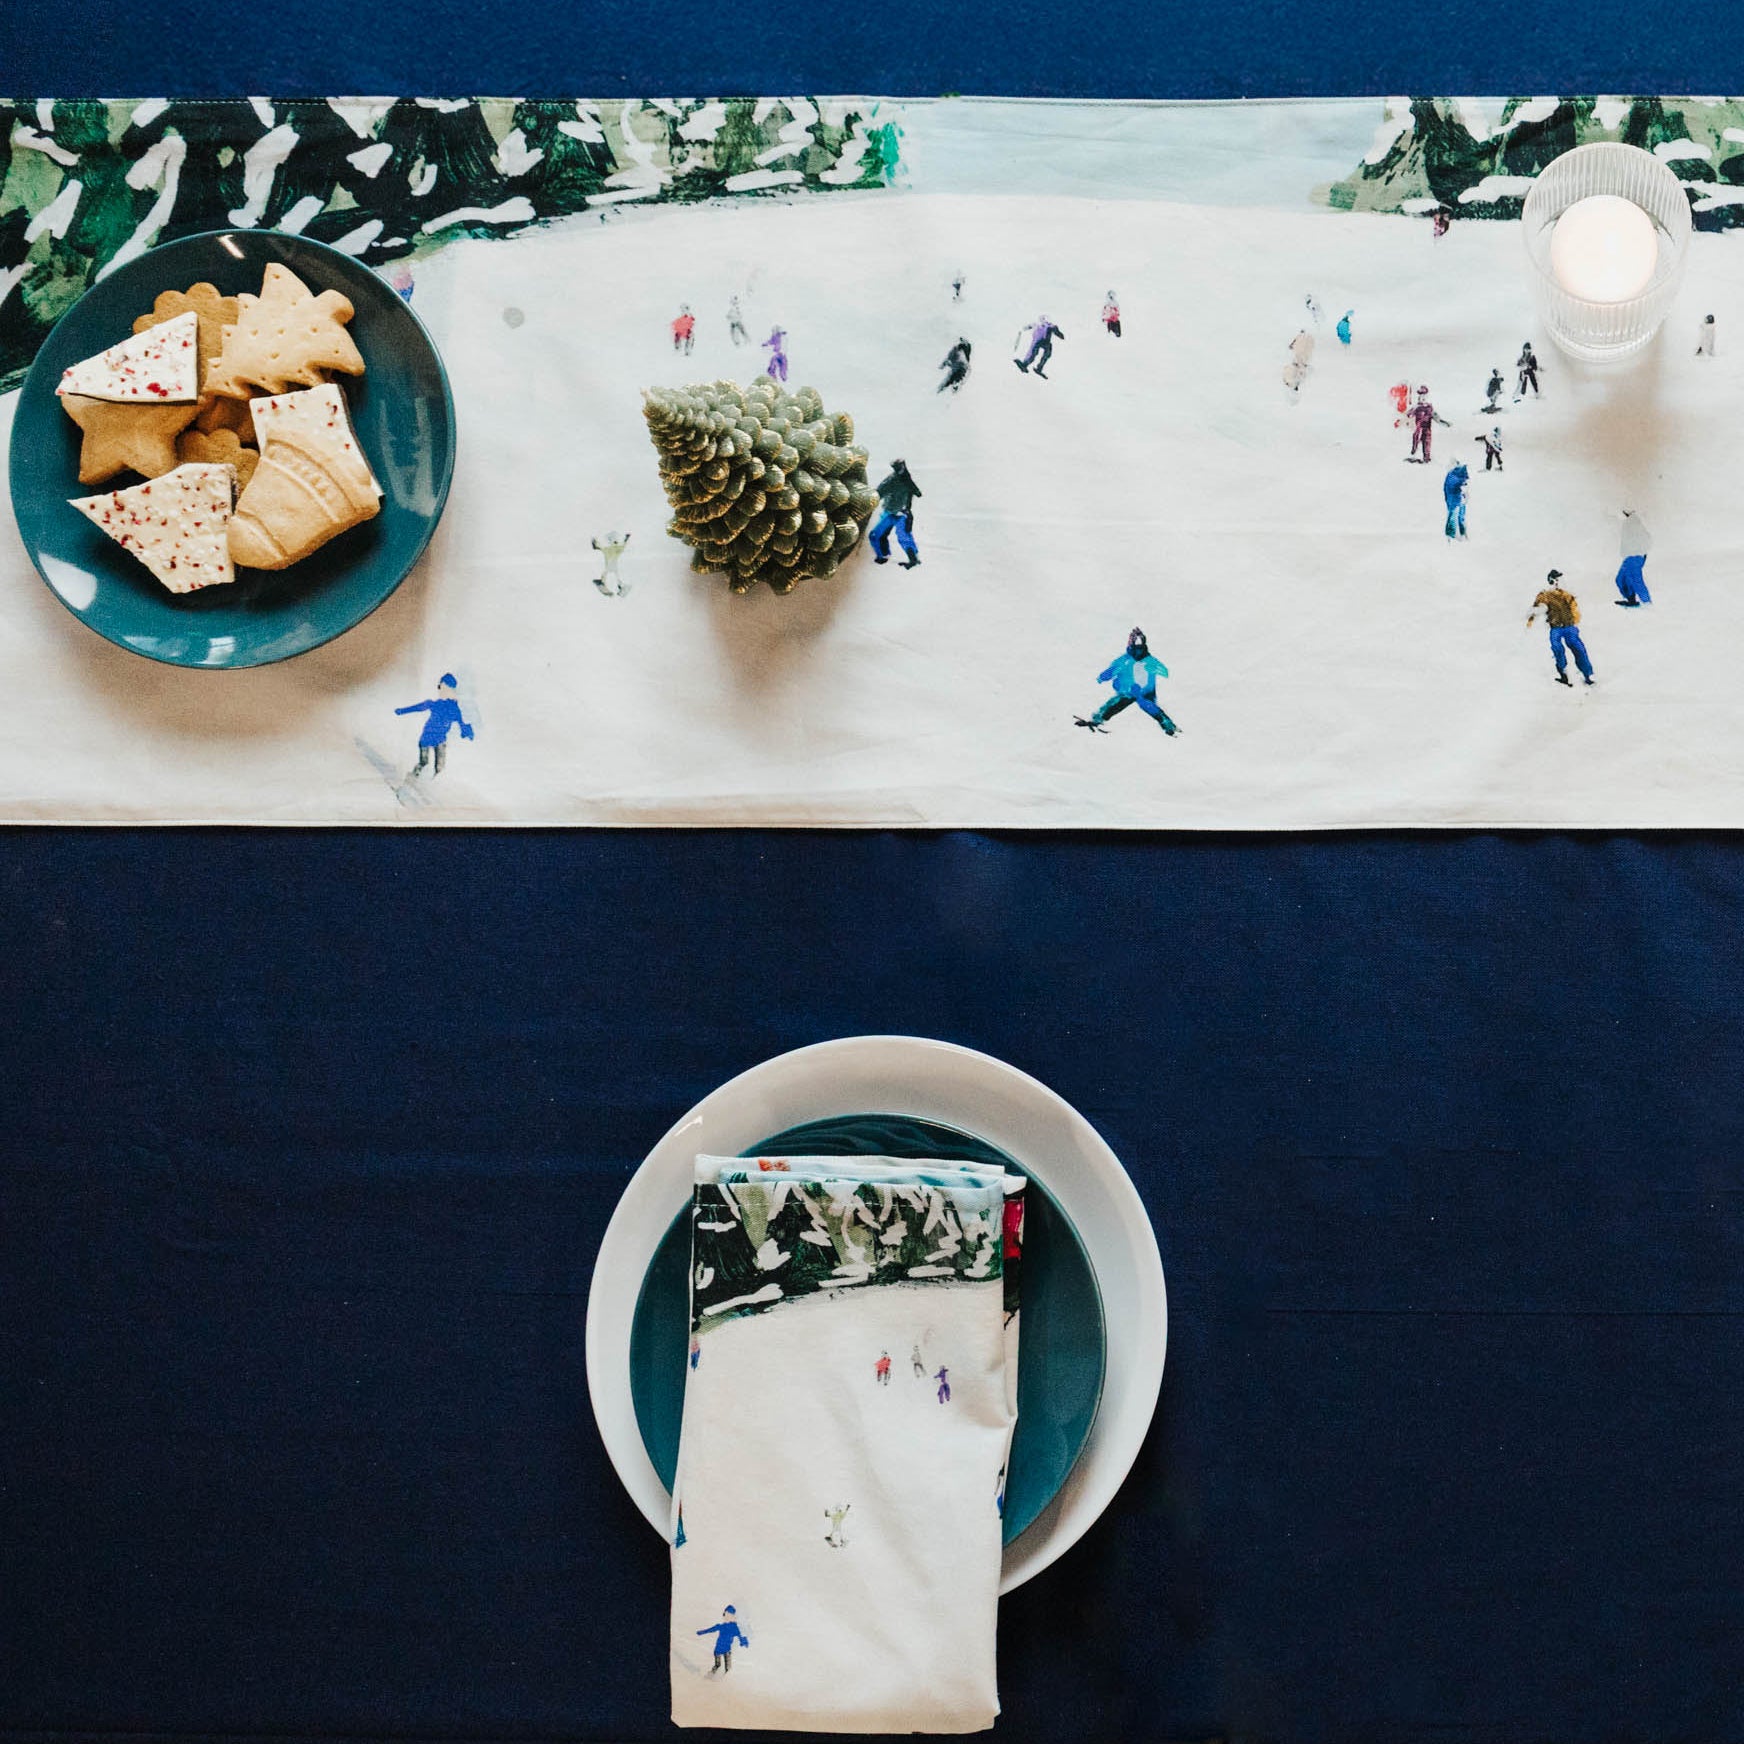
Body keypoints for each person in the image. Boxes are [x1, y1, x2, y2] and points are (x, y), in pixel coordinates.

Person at [1075, 626, 1180, 737]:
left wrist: (1154, 669)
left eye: (1140, 648)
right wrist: (1103, 677)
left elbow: (1165, 672)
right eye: (1136, 648)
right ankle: (1097, 720)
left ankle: (1168, 726)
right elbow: (1111, 670)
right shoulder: (1125, 660)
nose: (1138, 653)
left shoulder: (1149, 661)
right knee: (1114, 704)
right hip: (1127, 691)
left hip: (1144, 692)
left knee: (1150, 707)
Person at [396, 674, 474, 778]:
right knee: (424, 763)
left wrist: (467, 732)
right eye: (440, 687)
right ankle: (412, 779)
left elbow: (461, 722)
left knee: (440, 768)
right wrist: (402, 711)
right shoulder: (436, 704)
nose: (440, 691)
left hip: (440, 740)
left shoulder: (454, 709)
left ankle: (433, 785)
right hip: (427, 738)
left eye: (443, 688)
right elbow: (419, 707)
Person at [1528, 570, 1594, 686]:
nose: (1559, 583)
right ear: (1552, 581)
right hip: (1556, 628)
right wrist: (1531, 620)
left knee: (1578, 649)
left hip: (1569, 626)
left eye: (1560, 580)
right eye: (1557, 580)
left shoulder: (1566, 594)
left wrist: (1575, 620)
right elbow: (1539, 608)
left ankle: (1587, 675)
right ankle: (1564, 675)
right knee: (1558, 650)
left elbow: (1574, 607)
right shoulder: (1545, 595)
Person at [870, 460, 922, 568]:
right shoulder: (901, 480)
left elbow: (879, 492)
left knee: (897, 536)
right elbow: (917, 493)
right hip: (895, 513)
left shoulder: (898, 480)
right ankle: (885, 555)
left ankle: (886, 556)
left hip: (899, 513)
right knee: (879, 535)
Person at [1398, 386, 1449, 463]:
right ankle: (1414, 455)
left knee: (1427, 442)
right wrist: (1401, 422)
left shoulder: (1429, 408)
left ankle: (1426, 458)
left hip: (1427, 429)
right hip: (1418, 428)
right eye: (1421, 395)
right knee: (1416, 441)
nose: (1422, 397)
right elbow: (1407, 415)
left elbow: (1436, 417)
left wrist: (1443, 423)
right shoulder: (1416, 407)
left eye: (1424, 395)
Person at [1615, 509, 1653, 607]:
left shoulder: (1635, 522)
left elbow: (1647, 539)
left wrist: (1640, 552)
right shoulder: (1628, 522)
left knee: (1635, 579)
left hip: (1635, 556)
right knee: (1621, 579)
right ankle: (1631, 600)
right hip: (1629, 556)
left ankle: (1647, 603)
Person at [696, 1606, 749, 1675]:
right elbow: (711, 1629)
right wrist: (702, 1632)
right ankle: (710, 1675)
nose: (726, 1616)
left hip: (727, 1649)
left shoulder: (734, 1627)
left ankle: (724, 1679)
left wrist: (743, 1641)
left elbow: (739, 1636)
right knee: (718, 1665)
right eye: (725, 1614)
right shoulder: (722, 1626)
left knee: (728, 1668)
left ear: (732, 1616)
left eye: (729, 1614)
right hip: (719, 1648)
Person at [591, 530, 631, 596]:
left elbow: (600, 547)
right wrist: (626, 539)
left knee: (607, 574)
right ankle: (619, 587)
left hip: (610, 565)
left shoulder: (608, 549)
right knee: (615, 575)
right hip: (613, 566)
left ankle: (604, 584)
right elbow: (623, 546)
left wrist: (595, 543)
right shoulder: (617, 548)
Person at [1443, 461, 1469, 540]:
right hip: (1456, 499)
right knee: (1456, 516)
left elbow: (1446, 490)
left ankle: (1456, 533)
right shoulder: (1456, 475)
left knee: (1456, 515)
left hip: (1456, 498)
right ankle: (1454, 534)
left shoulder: (1451, 475)